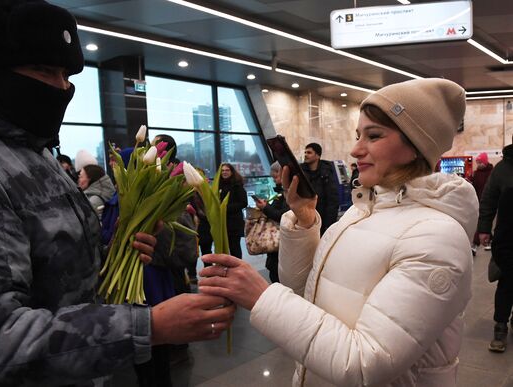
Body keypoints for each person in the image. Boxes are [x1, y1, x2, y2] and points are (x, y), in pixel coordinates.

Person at [0, 2, 234, 386]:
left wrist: (114, 251)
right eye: (43, 71)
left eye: (66, 74)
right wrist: (149, 325)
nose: (61, 89)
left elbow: (53, 272)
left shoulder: (34, 154)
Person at [199, 78, 478, 386]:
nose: (356, 149)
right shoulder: (361, 213)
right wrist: (305, 223)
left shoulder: (437, 238)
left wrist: (262, 297)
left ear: (415, 147)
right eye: (358, 135)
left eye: (373, 135)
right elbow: (305, 291)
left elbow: (363, 363)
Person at [477, 137, 513, 352]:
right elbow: (488, 199)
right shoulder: (503, 169)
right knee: (507, 283)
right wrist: (483, 228)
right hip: (508, 238)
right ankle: (500, 327)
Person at [253, 161, 289, 282]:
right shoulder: (281, 193)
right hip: (278, 247)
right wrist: (266, 206)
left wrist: (265, 208)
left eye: (276, 177)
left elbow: (283, 216)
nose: (274, 180)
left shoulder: (288, 195)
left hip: (282, 246)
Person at [488, 187, 513, 352]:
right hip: (510, 251)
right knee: (506, 288)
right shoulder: (509, 194)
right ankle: (500, 326)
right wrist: (500, 254)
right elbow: (502, 227)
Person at [300, 142, 339, 235]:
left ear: (317, 155)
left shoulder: (327, 173)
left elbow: (332, 200)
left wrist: (329, 225)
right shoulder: (301, 172)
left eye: (309, 153)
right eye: (305, 152)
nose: (305, 155)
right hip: (306, 219)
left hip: (323, 219)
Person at [220, 163, 248, 258]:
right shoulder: (219, 185)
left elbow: (244, 202)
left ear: (232, 172)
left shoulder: (237, 186)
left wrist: (226, 208)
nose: (224, 172)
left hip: (234, 222)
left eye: (227, 170)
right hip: (223, 222)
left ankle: (237, 268)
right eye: (222, 170)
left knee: (234, 247)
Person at [471, 152, 493, 254]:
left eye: (480, 162)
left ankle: (477, 243)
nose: (479, 164)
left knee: (486, 221)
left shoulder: (492, 173)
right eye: (477, 162)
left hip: (490, 201)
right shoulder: (476, 173)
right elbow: (473, 186)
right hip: (478, 200)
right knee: (480, 221)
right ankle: (482, 242)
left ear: (485, 162)